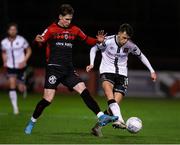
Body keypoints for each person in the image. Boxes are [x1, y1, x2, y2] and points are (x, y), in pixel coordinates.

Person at [24, 4, 118, 135]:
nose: (69, 21)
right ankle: (32, 122)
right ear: (60, 17)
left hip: (68, 69)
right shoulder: (51, 29)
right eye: (67, 19)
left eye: (70, 19)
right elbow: (40, 41)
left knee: (83, 90)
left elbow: (87, 40)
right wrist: (36, 41)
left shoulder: (75, 29)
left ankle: (101, 116)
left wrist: (98, 40)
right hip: (54, 69)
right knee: (47, 100)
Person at [86, 23, 157, 137]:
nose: (125, 41)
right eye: (123, 37)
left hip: (122, 75)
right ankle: (120, 120)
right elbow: (94, 49)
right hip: (107, 71)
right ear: (119, 33)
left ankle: (96, 128)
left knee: (112, 108)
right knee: (109, 94)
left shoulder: (130, 45)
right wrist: (91, 63)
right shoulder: (108, 41)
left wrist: (152, 70)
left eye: (127, 38)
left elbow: (141, 56)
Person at [1, 23, 32, 114]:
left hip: (21, 66)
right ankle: (15, 108)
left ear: (16, 31)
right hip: (10, 66)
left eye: (14, 29)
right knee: (12, 83)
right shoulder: (4, 42)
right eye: (11, 29)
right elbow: (3, 52)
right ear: (8, 31)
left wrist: (24, 60)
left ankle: (24, 87)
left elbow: (29, 50)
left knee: (21, 88)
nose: (12, 31)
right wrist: (4, 61)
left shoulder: (21, 40)